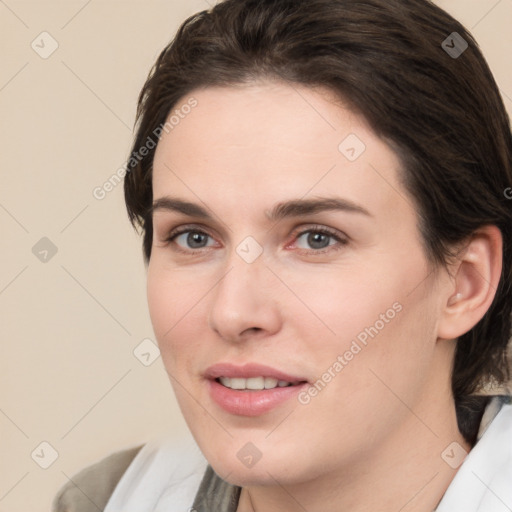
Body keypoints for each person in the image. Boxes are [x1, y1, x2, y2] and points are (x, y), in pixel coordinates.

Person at [53, 0, 512, 511]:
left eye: (317, 238)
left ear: (464, 283)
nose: (233, 312)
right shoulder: (102, 499)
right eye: (194, 237)